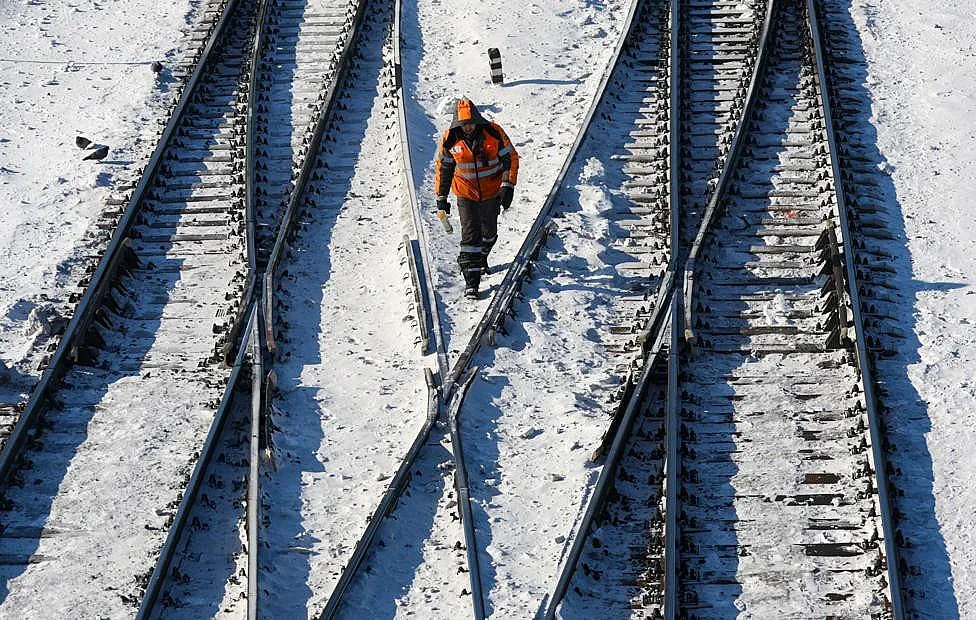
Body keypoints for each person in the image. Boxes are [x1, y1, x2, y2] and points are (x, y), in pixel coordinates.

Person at [434, 98, 519, 299]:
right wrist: (441, 197)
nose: (468, 128)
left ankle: (480, 259)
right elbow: (444, 169)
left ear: (478, 120)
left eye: (471, 123)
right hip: (465, 194)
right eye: (464, 125)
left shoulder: (494, 133)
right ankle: (471, 283)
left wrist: (508, 185)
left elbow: (511, 159)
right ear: (457, 124)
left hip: (492, 193)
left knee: (489, 233)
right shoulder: (450, 139)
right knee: (471, 235)